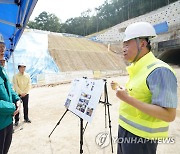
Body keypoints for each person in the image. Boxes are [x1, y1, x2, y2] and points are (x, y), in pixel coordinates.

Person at [111, 22, 178, 154]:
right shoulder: (139, 68)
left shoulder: (159, 71)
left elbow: (169, 115)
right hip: (126, 132)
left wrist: (127, 99)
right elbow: (140, 94)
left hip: (142, 140)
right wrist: (121, 90)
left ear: (142, 44)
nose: (123, 48)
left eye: (127, 43)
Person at [0, 33, 20, 154]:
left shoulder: (2, 68)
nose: (2, 50)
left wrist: (17, 99)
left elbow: (9, 88)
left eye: (3, 47)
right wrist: (12, 107)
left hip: (8, 122)